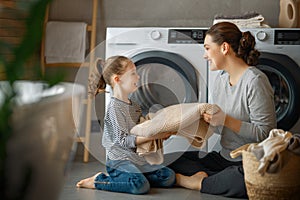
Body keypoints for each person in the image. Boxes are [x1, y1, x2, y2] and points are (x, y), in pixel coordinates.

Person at [165, 22, 277, 198]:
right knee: (168, 161)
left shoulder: (255, 81)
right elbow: (218, 127)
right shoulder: (221, 80)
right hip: (224, 159)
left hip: (250, 163)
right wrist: (181, 127)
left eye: (208, 48)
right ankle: (215, 181)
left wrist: (225, 119)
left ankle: (192, 181)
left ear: (224, 48)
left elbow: (267, 134)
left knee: (243, 180)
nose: (204, 55)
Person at [76, 55, 176, 194]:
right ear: (118, 80)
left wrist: (160, 134)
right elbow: (124, 141)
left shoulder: (134, 106)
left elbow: (141, 130)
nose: (138, 77)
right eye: (133, 73)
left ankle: (133, 177)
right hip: (119, 161)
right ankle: (98, 180)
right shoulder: (114, 108)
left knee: (167, 177)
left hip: (136, 159)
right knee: (139, 185)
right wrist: (152, 136)